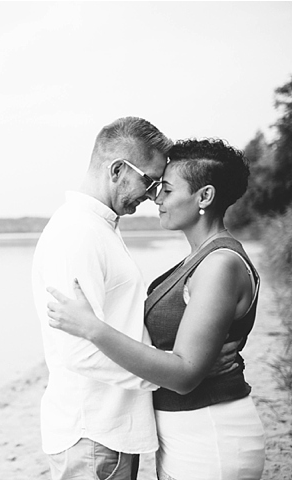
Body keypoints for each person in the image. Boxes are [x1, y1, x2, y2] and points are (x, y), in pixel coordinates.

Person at [46, 138, 265, 480]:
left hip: (210, 432)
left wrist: (94, 329)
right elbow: (183, 363)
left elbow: (183, 373)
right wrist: (190, 364)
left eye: (165, 188)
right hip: (185, 432)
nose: (155, 198)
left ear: (204, 197)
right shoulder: (197, 260)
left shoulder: (219, 265)